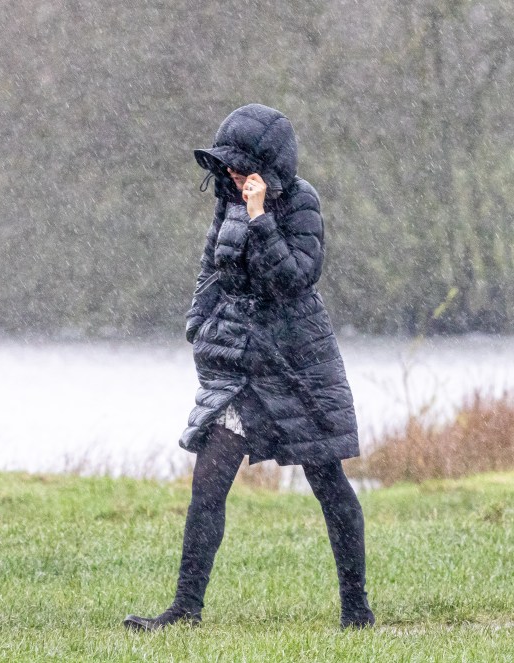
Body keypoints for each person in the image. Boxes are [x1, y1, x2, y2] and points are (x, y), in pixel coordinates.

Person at [123, 103, 374, 631]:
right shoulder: (227, 198)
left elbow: (294, 281)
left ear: (269, 167)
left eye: (241, 168)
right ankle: (185, 609)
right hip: (242, 364)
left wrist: (260, 219)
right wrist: (198, 321)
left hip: (298, 364)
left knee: (327, 479)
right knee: (208, 479)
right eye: (228, 167)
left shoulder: (302, 202)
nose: (231, 176)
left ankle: (357, 611)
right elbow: (211, 265)